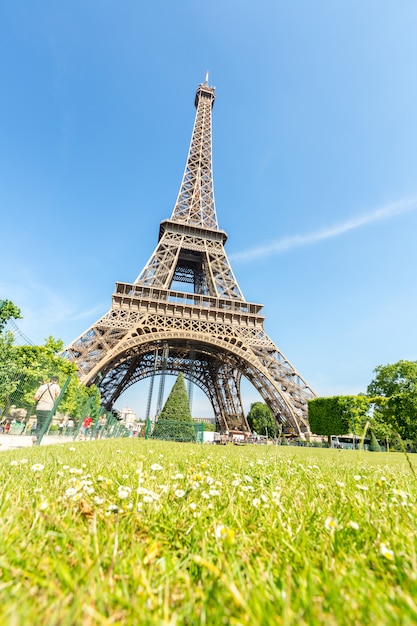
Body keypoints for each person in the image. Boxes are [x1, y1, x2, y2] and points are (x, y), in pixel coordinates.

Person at [33, 376, 61, 443]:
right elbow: (58, 396)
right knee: (46, 425)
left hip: (39, 408)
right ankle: (38, 438)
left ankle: (36, 437)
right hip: (48, 408)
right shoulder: (56, 386)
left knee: (39, 424)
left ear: (50, 380)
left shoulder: (42, 386)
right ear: (57, 381)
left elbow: (35, 397)